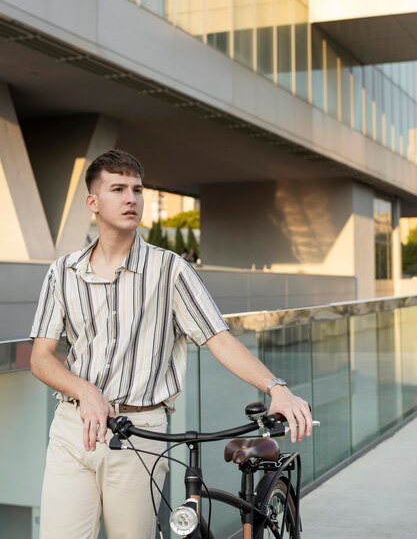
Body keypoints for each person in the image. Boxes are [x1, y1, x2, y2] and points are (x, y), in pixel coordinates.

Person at [30, 149, 312, 539]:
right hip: (72, 427)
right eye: (118, 189)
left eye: (137, 189)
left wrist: (275, 388)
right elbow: (40, 358)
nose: (131, 198)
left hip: (142, 432)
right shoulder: (63, 272)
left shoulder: (170, 270)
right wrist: (86, 391)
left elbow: (219, 338)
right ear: (92, 203)